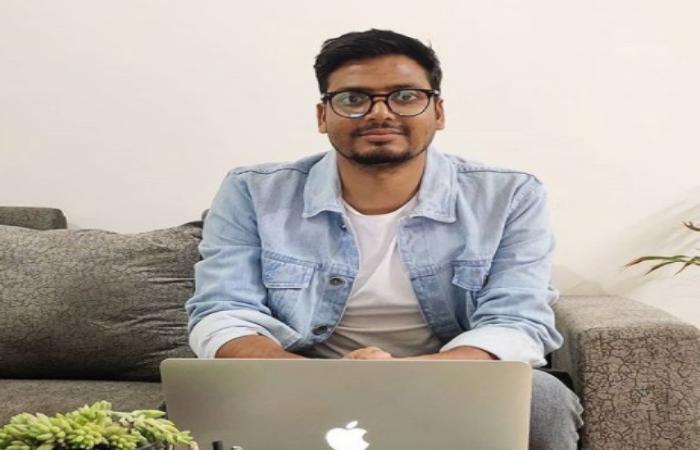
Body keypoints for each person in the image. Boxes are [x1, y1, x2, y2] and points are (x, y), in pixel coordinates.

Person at [185, 29, 584, 449]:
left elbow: (518, 320)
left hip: (451, 378)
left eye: (405, 96)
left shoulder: (510, 195)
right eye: (353, 98)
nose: (380, 113)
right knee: (178, 413)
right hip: (298, 377)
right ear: (323, 116)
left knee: (542, 400)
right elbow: (224, 311)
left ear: (438, 111)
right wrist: (318, 378)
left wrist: (396, 378)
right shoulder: (252, 191)